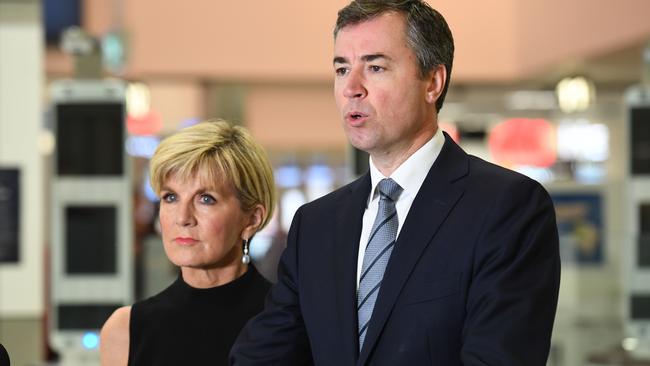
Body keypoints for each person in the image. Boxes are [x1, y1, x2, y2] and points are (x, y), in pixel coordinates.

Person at [231, 1, 560, 365]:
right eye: (342, 69)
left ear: (433, 82)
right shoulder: (317, 224)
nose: (351, 88)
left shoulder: (507, 207)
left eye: (375, 67)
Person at [100, 120, 276, 365]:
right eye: (170, 197)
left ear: (252, 219)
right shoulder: (126, 331)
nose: (182, 218)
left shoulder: (290, 321)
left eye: (206, 199)